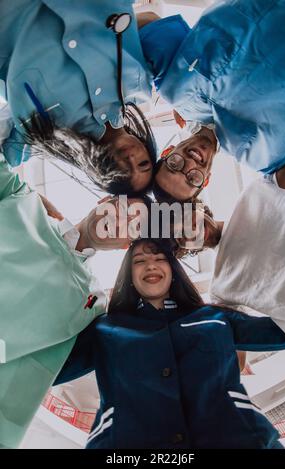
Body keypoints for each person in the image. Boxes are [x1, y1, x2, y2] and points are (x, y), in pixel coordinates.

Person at [0, 107, 151, 447]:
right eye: (125, 209)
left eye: (134, 227)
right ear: (104, 200)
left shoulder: (95, 304)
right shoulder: (21, 198)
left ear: (124, 244)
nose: (122, 221)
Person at [54, 239, 285, 449]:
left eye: (160, 258)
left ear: (174, 269)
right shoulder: (103, 329)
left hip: (239, 439)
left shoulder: (216, 318)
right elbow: (47, 371)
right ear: (128, 275)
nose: (151, 265)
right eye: (139, 261)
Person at [135, 1, 285, 200]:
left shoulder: (174, 88)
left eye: (174, 165)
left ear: (168, 151)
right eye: (191, 179)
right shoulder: (265, 160)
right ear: (205, 180)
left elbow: (146, 25)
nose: (189, 164)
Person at [0, 0, 157, 195]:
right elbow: (149, 20)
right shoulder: (139, 88)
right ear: (147, 147)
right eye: (143, 163)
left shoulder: (47, 133)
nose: (131, 159)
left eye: (123, 172)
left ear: (103, 174)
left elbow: (5, 160)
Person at [173, 152, 285, 341]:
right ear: (185, 250)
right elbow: (230, 343)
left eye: (186, 219)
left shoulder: (256, 193)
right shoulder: (220, 289)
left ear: (197, 207)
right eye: (181, 237)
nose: (192, 230)